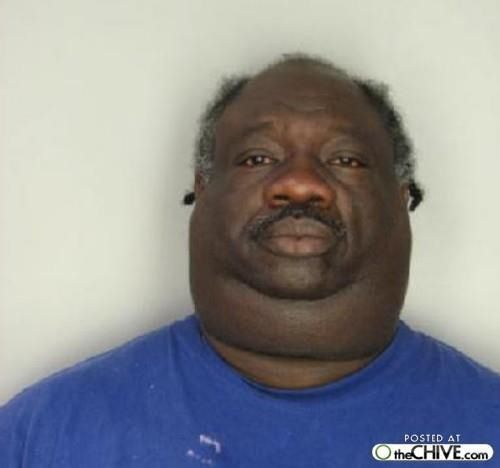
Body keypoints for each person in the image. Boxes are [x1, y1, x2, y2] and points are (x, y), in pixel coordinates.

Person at [0, 53, 498, 467]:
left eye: (345, 159)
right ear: (203, 191)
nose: (299, 183)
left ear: (402, 198)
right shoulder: (41, 436)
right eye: (257, 158)